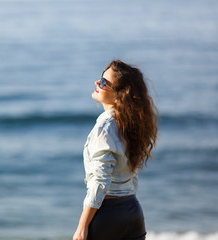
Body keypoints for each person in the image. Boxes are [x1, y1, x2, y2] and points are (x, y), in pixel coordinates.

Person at [73, 60, 158, 240]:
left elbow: (100, 182)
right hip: (133, 212)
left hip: (107, 216)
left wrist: (82, 226)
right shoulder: (132, 124)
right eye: (100, 79)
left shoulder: (104, 128)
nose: (97, 83)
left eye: (104, 83)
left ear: (120, 94)